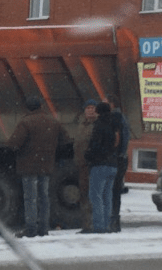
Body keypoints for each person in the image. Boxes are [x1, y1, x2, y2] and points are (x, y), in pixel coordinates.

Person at [8, 96, 71, 238]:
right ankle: (43, 228)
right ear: (41, 106)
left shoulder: (26, 122)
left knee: (30, 198)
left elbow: (14, 143)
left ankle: (31, 229)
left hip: (28, 166)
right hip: (46, 165)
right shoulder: (53, 122)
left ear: (28, 108)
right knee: (44, 198)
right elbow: (65, 140)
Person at [83, 101, 122, 234]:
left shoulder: (99, 125)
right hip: (113, 164)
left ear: (98, 112)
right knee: (107, 196)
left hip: (100, 164)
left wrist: (88, 156)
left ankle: (98, 226)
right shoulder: (115, 124)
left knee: (95, 196)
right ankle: (106, 224)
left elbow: (95, 145)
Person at [72, 99, 98, 232]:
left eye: (93, 107)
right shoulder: (81, 125)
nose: (90, 110)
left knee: (93, 195)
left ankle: (95, 224)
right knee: (84, 195)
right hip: (81, 165)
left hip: (92, 166)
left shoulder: (97, 125)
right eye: (88, 108)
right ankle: (86, 224)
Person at [107, 95, 131, 232]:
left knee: (112, 191)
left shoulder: (116, 118)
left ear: (111, 104)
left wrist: (118, 154)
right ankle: (114, 221)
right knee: (114, 191)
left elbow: (122, 138)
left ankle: (113, 221)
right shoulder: (121, 118)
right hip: (120, 158)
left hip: (117, 159)